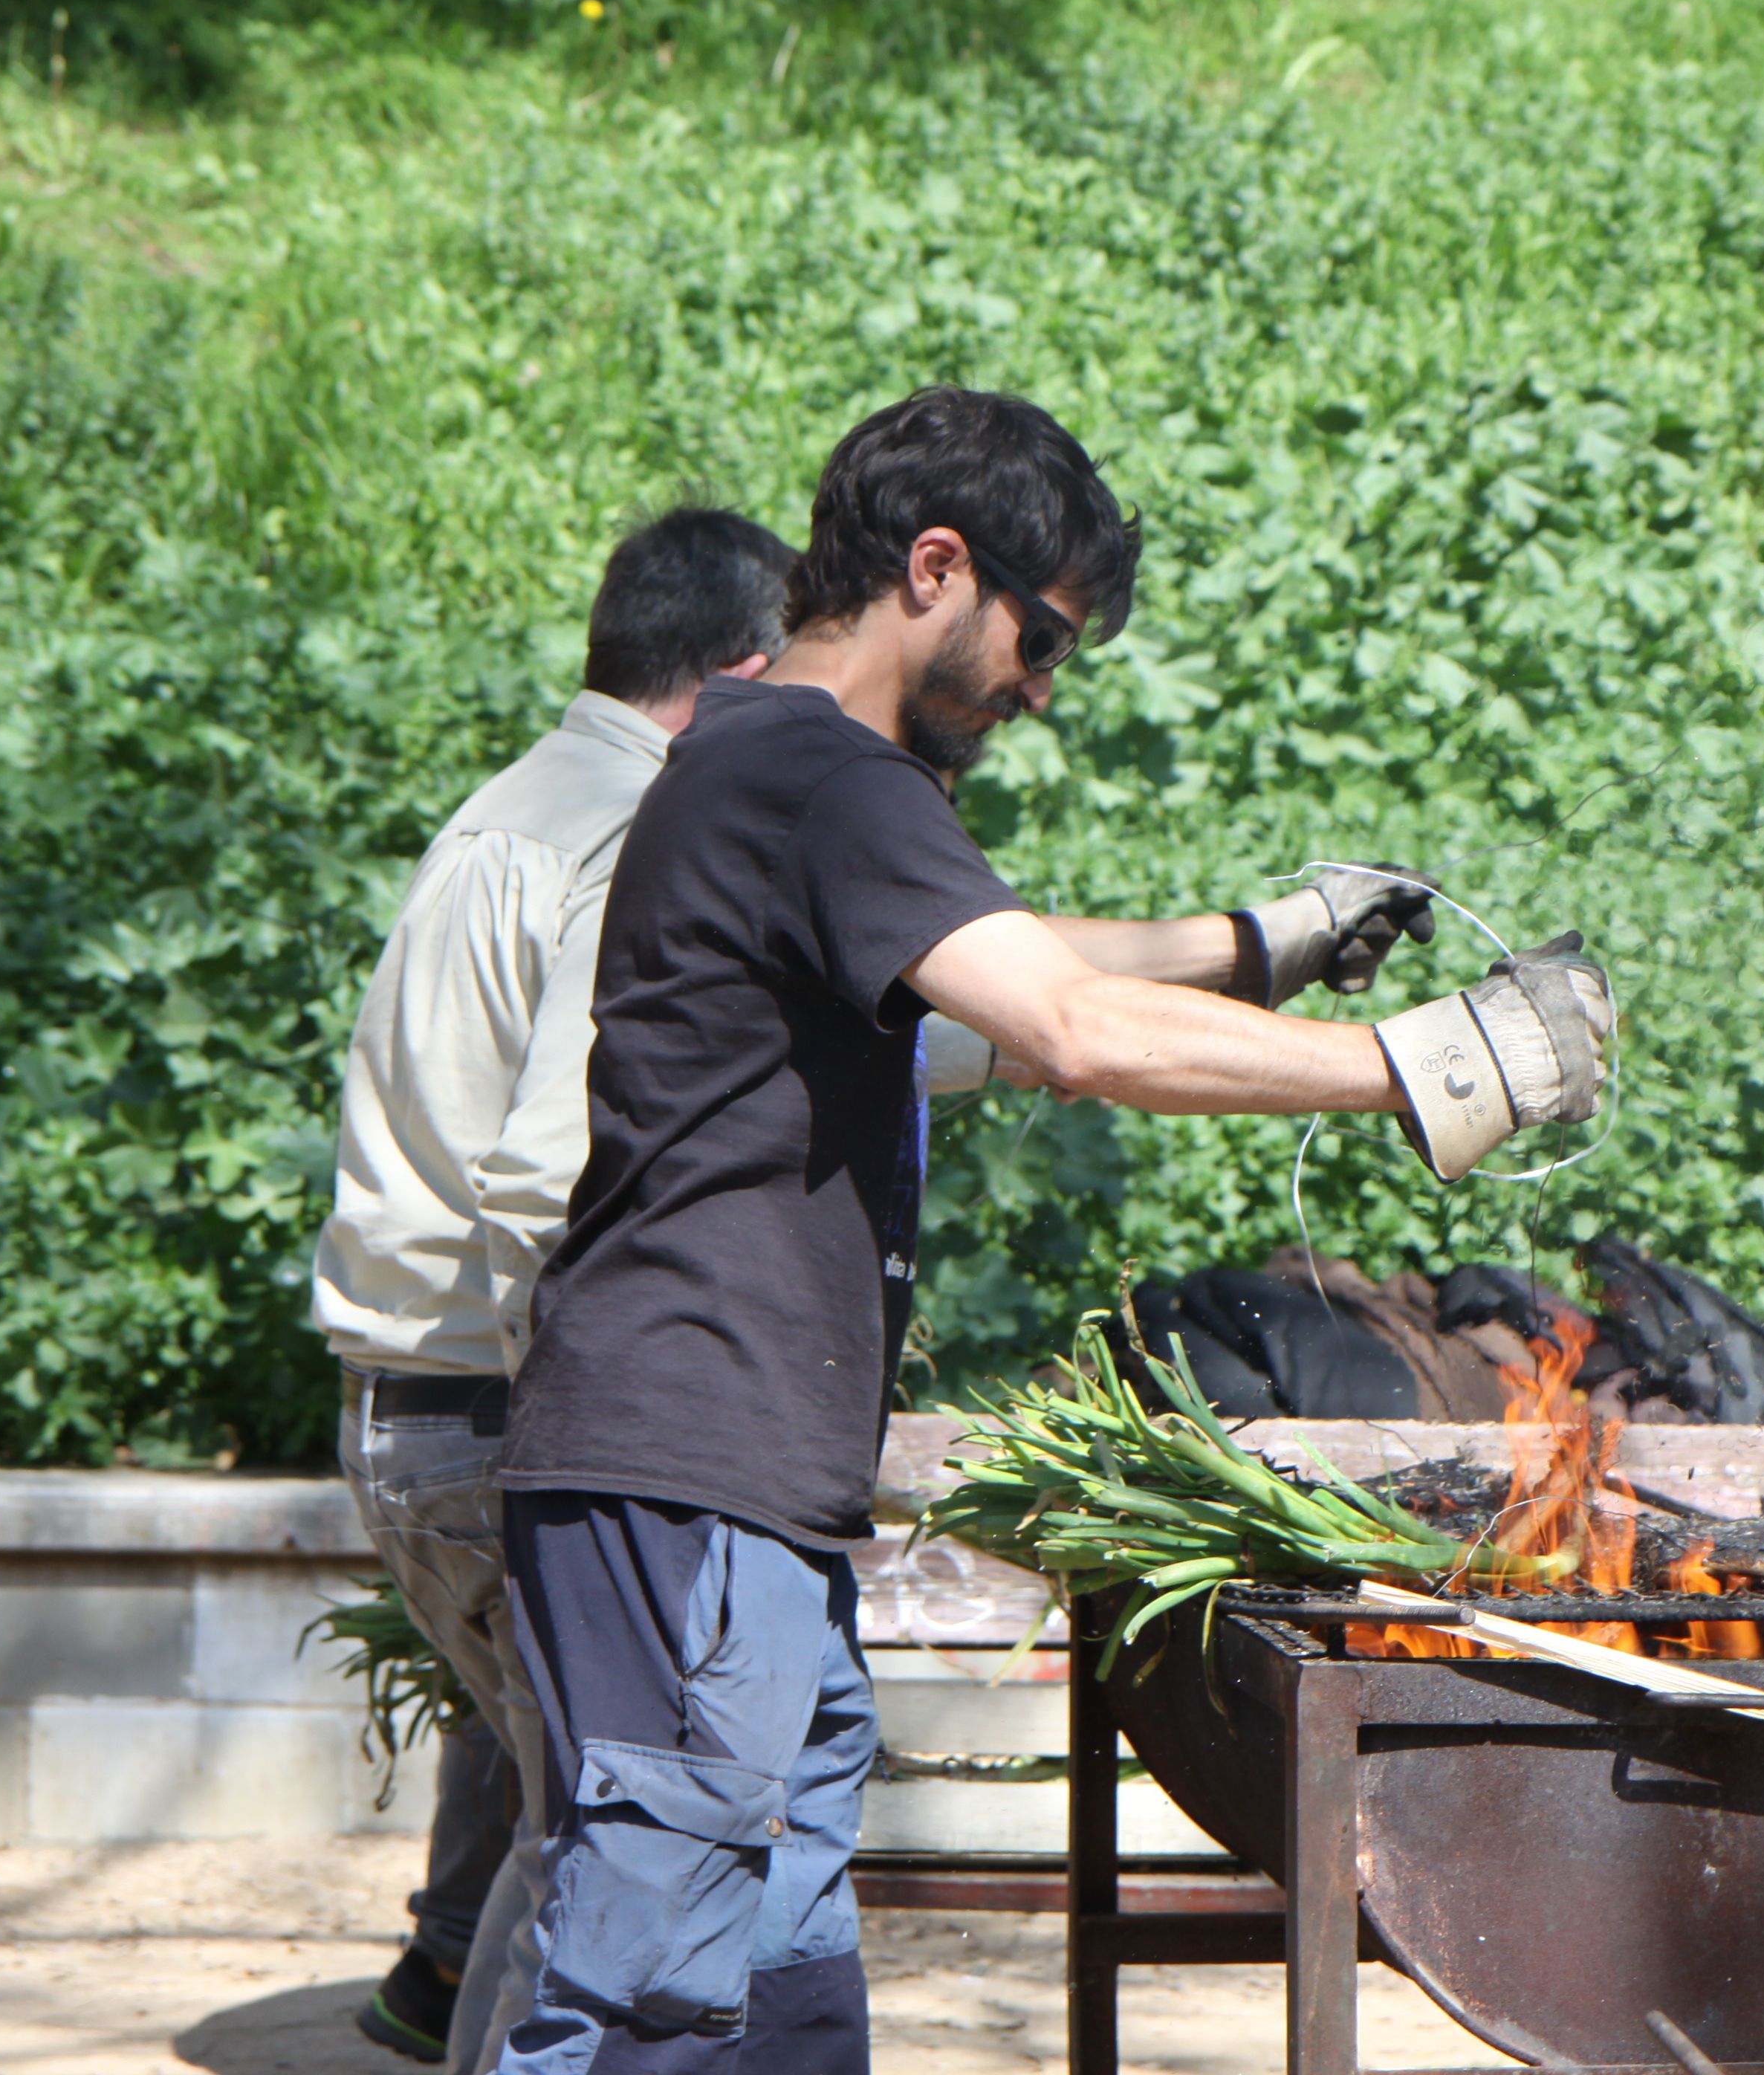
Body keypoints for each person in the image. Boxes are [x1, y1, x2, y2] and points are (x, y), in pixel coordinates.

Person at [493, 387, 1615, 2075]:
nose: (1037, 689)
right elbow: (1072, 1032)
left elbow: (1020, 972)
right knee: (645, 2009)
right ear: (937, 568)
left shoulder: (760, 755)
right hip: (688, 1477)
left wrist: (1260, 940)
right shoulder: (830, 778)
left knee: (781, 2005)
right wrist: (1426, 1066)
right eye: (1043, 641)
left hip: (735, 1495)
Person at [309, 502, 799, 2064]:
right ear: (739, 673)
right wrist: (600, 1421)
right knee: (595, 1840)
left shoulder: (513, 801)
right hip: (498, 1401)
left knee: (551, 1795)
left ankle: (435, 1998)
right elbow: (540, 1174)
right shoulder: (634, 832)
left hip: (403, 1397)